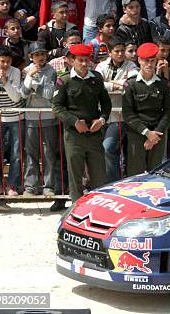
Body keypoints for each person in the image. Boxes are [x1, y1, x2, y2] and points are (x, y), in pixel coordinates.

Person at [52, 43, 111, 202]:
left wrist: (102, 120)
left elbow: (106, 103)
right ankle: (76, 208)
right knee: (75, 176)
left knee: (99, 176)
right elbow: (56, 106)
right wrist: (74, 121)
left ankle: (98, 207)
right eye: (80, 60)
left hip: (94, 134)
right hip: (74, 135)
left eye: (87, 60)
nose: (84, 64)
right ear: (72, 61)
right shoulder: (64, 80)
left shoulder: (96, 79)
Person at [122, 42, 170, 175]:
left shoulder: (162, 84)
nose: (149, 64)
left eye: (152, 60)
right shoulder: (131, 84)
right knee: (135, 173)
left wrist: (156, 133)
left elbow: (168, 112)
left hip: (158, 134)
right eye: (146, 61)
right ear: (139, 60)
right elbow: (128, 114)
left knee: (155, 174)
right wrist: (147, 133)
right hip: (137, 133)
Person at [95, 35, 138, 182]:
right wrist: (115, 85)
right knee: (104, 150)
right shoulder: (101, 66)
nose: (120, 54)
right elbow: (97, 84)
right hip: (102, 114)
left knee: (108, 147)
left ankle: (113, 182)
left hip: (121, 115)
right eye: (117, 51)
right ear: (110, 52)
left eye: (122, 51)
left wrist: (109, 83)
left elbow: (131, 84)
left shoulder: (131, 65)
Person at [20, 42, 61, 196]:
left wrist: (34, 85)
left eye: (42, 54)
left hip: (49, 116)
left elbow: (49, 94)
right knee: (31, 153)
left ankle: (48, 186)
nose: (40, 57)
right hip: (31, 117)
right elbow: (23, 93)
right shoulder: (26, 70)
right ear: (31, 57)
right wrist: (30, 77)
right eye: (37, 54)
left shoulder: (51, 70)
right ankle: (30, 187)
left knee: (49, 152)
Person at [0, 46, 24, 196]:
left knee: (16, 153)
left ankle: (12, 186)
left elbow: (16, 97)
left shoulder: (16, 72)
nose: (5, 65)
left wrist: (6, 82)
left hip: (17, 118)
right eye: (3, 61)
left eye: (8, 61)